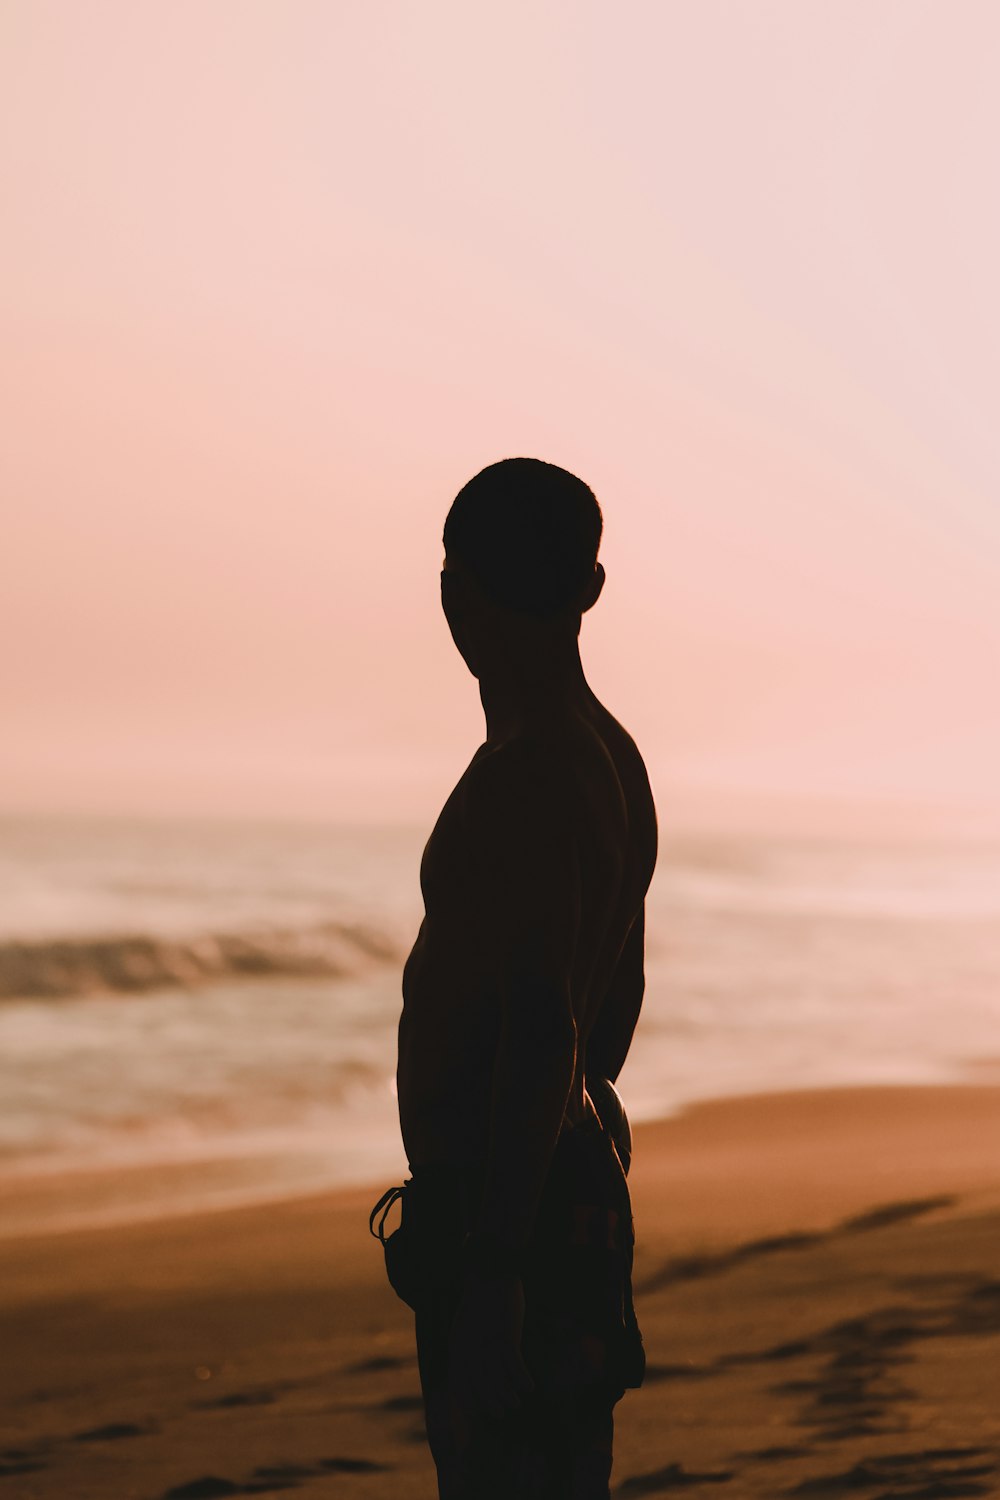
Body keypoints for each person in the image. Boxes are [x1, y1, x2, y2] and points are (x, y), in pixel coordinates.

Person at [390, 457, 658, 1498]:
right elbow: (613, 1004)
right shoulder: (608, 755)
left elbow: (548, 1026)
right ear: (589, 590)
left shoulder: (528, 775)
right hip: (556, 1185)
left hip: (513, 1216)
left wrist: (497, 1264)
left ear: (453, 591)